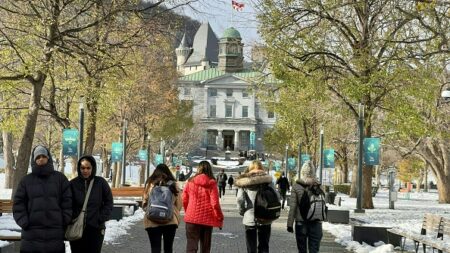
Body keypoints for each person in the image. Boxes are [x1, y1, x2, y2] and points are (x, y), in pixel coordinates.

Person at [13, 145, 72, 253]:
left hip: (54, 232)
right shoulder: (26, 181)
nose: (41, 158)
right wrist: (24, 222)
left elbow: (67, 201)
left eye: (43, 156)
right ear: (34, 160)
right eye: (38, 157)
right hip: (31, 233)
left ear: (48, 158)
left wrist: (64, 220)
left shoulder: (60, 179)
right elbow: (18, 204)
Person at [69, 155, 113, 253]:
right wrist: (71, 218)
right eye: (83, 168)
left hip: (95, 228)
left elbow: (109, 202)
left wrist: (101, 217)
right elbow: (67, 203)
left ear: (93, 168)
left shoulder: (100, 183)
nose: (85, 171)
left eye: (88, 168)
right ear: (79, 168)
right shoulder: (72, 184)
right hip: (77, 227)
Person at [235, 160, 277, 253]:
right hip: (265, 216)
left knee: (251, 247)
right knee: (264, 246)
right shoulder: (268, 181)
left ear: (250, 169)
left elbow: (240, 199)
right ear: (261, 168)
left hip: (250, 217)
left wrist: (242, 211)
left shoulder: (244, 182)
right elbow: (276, 196)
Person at [183, 161, 224, 253]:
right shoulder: (212, 183)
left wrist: (188, 212)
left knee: (191, 246)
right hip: (207, 220)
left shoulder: (190, 182)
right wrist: (219, 217)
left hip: (191, 219)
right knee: (205, 247)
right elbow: (215, 203)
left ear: (198, 169)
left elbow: (184, 199)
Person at [142, 163, 182, 253]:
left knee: (155, 248)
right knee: (168, 248)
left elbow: (144, 202)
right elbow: (179, 204)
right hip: (170, 220)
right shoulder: (173, 185)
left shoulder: (150, 184)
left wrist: (151, 211)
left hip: (152, 220)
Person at [287, 161, 323, 253]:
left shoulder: (296, 186)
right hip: (316, 223)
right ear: (314, 172)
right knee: (314, 250)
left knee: (302, 249)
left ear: (302, 172)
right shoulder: (318, 186)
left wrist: (290, 224)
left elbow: (293, 206)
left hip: (301, 222)